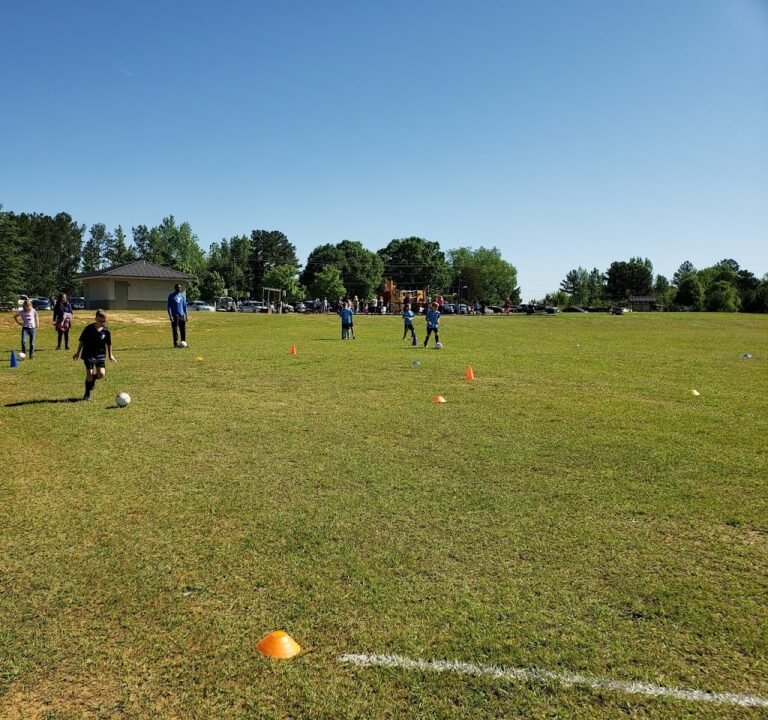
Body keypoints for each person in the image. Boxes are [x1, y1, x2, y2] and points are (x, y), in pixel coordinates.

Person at [73, 310, 116, 400]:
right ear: (96, 319)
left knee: (101, 374)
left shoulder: (106, 331)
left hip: (100, 354)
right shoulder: (88, 329)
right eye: (101, 321)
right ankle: (87, 394)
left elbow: (109, 344)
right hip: (88, 354)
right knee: (90, 373)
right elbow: (82, 341)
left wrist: (110, 355)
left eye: (105, 321)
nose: (103, 323)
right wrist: (77, 352)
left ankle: (93, 379)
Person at [167, 283, 188, 347]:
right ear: (175, 288)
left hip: (181, 315)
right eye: (178, 287)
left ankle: (183, 342)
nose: (179, 288)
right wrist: (170, 316)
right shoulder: (171, 296)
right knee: (175, 330)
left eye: (180, 287)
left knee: (183, 330)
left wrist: (186, 315)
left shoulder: (182, 296)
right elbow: (169, 307)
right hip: (174, 316)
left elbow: (184, 306)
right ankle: (175, 344)